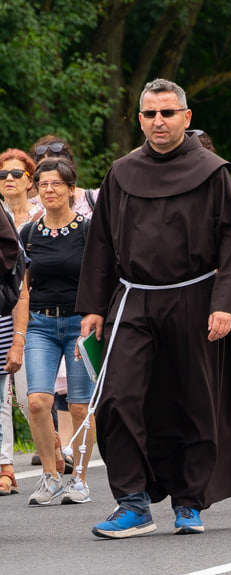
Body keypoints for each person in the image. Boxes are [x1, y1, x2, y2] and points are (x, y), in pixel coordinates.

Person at [77, 78, 231, 538]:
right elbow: (100, 242)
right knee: (118, 397)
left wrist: (224, 304)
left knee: (192, 401)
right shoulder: (121, 172)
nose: (158, 121)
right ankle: (133, 503)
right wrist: (95, 306)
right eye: (149, 114)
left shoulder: (211, 171)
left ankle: (188, 501)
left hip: (195, 298)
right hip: (133, 298)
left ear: (186, 117)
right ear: (139, 119)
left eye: (167, 112)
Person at [21, 157, 95, 505]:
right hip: (40, 324)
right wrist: (20, 336)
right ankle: (50, 476)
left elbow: (101, 280)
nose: (49, 190)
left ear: (70, 189)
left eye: (56, 184)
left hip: (79, 325)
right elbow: (23, 289)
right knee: (38, 402)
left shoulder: (88, 230)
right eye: (43, 184)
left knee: (80, 407)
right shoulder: (29, 233)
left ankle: (79, 478)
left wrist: (96, 319)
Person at [0, 149, 33, 497]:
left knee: (25, 398)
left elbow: (19, 280)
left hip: (18, 315)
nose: (8, 180)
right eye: (2, 174)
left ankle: (7, 464)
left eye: (15, 173)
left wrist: (19, 336)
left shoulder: (21, 218)